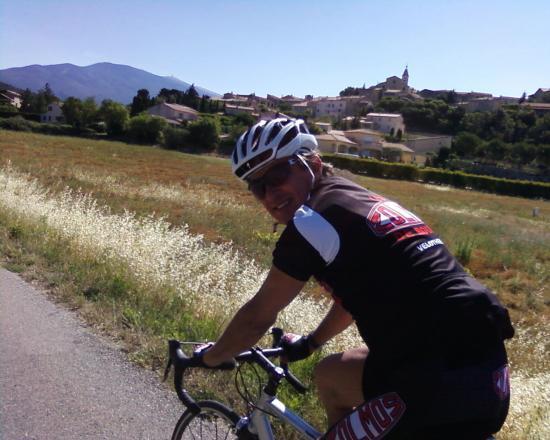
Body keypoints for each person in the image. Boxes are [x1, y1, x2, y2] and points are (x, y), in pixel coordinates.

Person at [200, 117, 514, 439]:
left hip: (432, 382)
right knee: (330, 376)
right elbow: (352, 299)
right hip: (490, 376)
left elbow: (258, 317)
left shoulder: (310, 222)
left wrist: (210, 357)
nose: (269, 194)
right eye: (256, 186)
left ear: (314, 163)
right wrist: (311, 343)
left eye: (277, 175)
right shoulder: (356, 199)